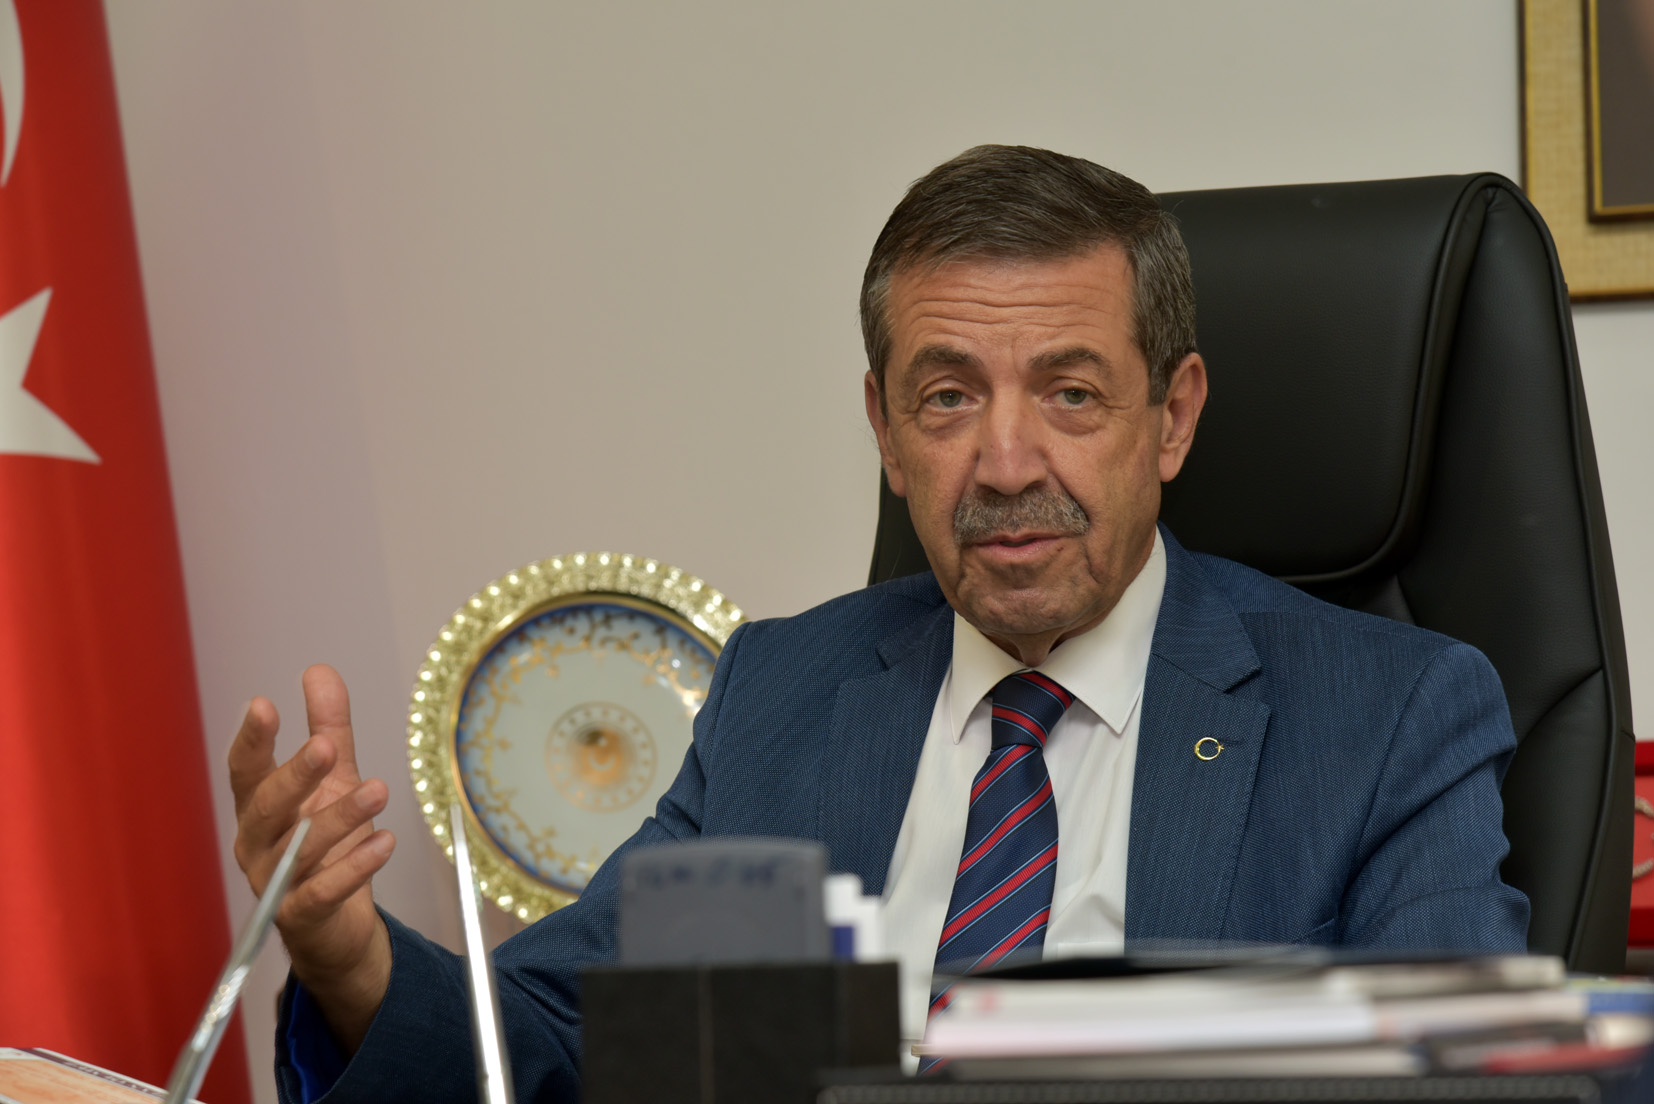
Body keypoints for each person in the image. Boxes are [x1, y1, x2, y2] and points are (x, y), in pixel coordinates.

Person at [229, 146, 1529, 1104]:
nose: (1005, 462)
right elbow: (574, 1039)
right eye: (948, 397)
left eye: (1070, 394)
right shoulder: (787, 692)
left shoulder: (1385, 717)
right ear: (886, 432)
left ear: (1172, 417)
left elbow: (1458, 1079)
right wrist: (350, 963)